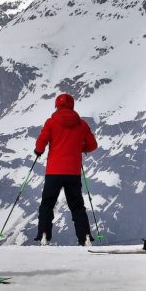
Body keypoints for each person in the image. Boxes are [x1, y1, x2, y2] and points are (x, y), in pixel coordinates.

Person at [33, 93, 99, 246]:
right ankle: (85, 237)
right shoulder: (81, 124)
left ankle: (44, 234)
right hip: (73, 173)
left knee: (47, 204)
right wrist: (81, 148)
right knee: (77, 206)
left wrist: (38, 151)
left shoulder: (51, 122)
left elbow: (42, 141)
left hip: (53, 172)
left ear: (57, 106)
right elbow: (93, 145)